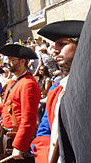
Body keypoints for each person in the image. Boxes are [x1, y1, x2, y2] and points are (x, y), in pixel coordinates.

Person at [31, 20, 84, 163]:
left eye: (62, 44)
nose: (54, 50)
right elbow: (45, 130)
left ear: (81, 45)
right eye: (55, 45)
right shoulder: (56, 89)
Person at [0, 44, 41, 162]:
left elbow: (29, 119)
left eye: (12, 60)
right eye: (7, 59)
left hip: (18, 139)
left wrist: (19, 145)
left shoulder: (28, 84)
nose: (8, 63)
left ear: (22, 61)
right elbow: (8, 105)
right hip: (9, 137)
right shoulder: (14, 82)